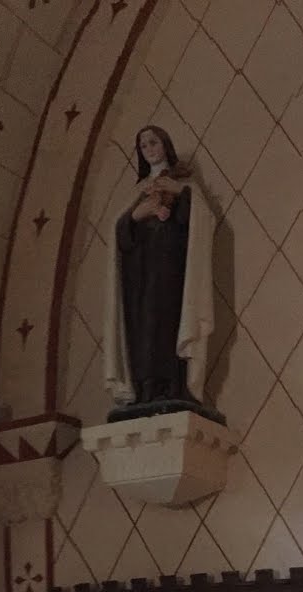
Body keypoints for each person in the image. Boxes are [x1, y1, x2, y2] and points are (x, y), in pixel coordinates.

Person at [107, 125, 218, 422]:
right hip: (141, 273)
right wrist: (136, 215)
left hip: (172, 268)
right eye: (143, 146)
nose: (149, 149)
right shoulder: (137, 190)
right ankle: (146, 387)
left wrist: (179, 194)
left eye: (153, 142)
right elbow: (120, 232)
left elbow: (202, 220)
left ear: (165, 145)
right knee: (144, 325)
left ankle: (173, 385)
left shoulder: (184, 182)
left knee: (169, 321)